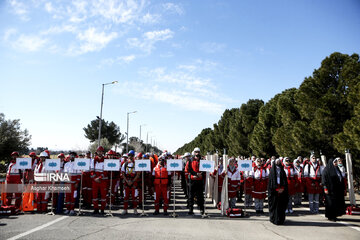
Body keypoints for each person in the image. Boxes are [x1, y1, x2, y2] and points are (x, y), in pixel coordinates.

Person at [268, 159, 289, 225]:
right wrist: (276, 189)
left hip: (282, 190)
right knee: (274, 205)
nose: (278, 163)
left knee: (281, 206)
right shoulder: (272, 171)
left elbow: (285, 181)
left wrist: (282, 189)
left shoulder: (282, 171)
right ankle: (274, 219)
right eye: (277, 162)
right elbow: (271, 183)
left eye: (279, 162)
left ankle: (281, 219)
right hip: (274, 191)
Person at [185, 147, 205, 215]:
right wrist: (195, 174)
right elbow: (189, 169)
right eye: (196, 152)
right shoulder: (190, 160)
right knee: (191, 196)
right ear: (194, 152)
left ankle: (202, 209)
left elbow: (204, 168)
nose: (197, 153)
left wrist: (200, 174)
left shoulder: (202, 160)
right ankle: (191, 209)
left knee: (200, 196)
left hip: (199, 180)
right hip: (192, 180)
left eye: (198, 152)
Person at [121, 150, 140, 215]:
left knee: (134, 197)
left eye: (132, 155)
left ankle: (135, 210)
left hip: (134, 182)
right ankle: (125, 209)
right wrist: (127, 181)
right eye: (129, 155)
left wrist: (132, 181)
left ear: (134, 156)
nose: (130, 157)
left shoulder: (136, 164)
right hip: (127, 182)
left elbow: (138, 174)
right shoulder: (125, 164)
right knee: (126, 196)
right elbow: (123, 173)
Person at [91, 146, 108, 215]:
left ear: (103, 152)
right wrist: (95, 178)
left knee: (103, 195)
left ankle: (102, 209)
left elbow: (106, 171)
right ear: (97, 152)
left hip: (103, 181)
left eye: (101, 151)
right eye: (99, 151)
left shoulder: (106, 160)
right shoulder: (93, 160)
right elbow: (92, 171)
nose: (100, 152)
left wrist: (100, 178)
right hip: (95, 181)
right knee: (94, 195)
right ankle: (96, 209)